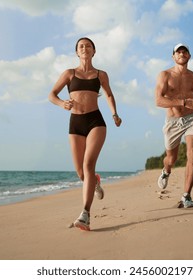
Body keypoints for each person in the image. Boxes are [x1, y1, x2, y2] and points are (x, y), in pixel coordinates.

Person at [48, 37, 122, 231]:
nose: (85, 48)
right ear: (77, 52)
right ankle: (95, 181)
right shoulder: (69, 74)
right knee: (81, 173)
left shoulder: (101, 74)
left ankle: (85, 214)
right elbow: (52, 94)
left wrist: (114, 113)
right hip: (76, 123)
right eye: (81, 46)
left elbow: (109, 94)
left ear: (93, 51)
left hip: (95, 121)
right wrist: (62, 103)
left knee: (88, 164)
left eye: (88, 46)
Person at [155, 43, 193, 208]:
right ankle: (166, 171)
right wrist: (182, 101)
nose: (182, 54)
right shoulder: (165, 75)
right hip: (173, 122)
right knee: (171, 158)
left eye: (185, 52)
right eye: (178, 52)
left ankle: (186, 196)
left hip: (192, 118)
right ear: (173, 56)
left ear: (189, 56)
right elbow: (158, 100)